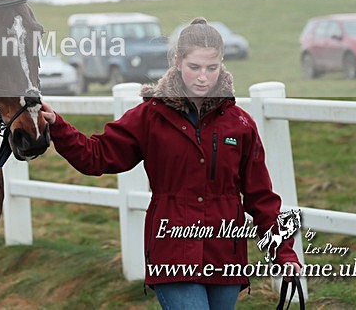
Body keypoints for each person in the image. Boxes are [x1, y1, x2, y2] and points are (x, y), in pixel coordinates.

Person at [40, 18, 300, 309]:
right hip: (172, 253)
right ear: (177, 61)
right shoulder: (149, 117)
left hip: (225, 256)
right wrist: (58, 126)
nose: (203, 77)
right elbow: (96, 156)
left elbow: (261, 197)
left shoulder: (240, 124)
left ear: (222, 64)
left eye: (211, 68)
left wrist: (284, 252)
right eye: (194, 68)